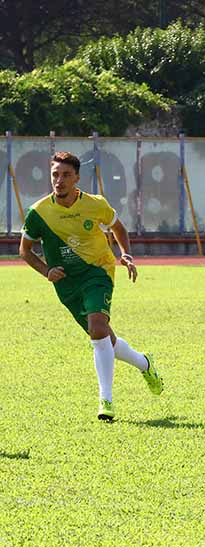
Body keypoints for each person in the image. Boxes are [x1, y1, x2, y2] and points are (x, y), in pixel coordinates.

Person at [19, 152, 164, 422]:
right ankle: (145, 363)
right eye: (55, 175)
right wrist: (46, 270)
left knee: (97, 330)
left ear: (76, 178)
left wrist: (126, 254)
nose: (58, 181)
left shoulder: (95, 204)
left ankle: (105, 401)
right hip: (66, 283)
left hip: (98, 270)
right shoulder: (38, 212)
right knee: (104, 338)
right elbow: (25, 251)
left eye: (65, 175)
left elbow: (119, 229)